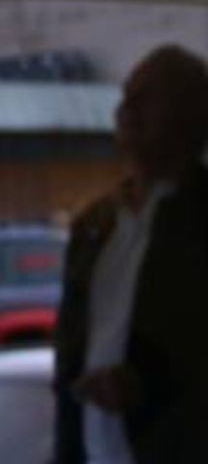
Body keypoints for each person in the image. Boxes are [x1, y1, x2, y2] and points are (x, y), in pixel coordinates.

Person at [54, 45, 208, 463]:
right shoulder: (94, 226)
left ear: (193, 114)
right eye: (126, 95)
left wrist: (150, 386)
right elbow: (69, 356)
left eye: (147, 98)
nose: (126, 109)